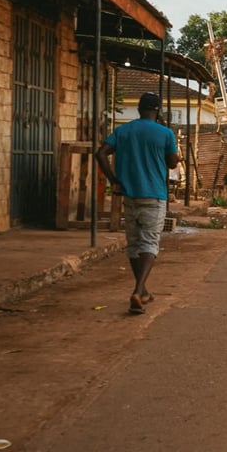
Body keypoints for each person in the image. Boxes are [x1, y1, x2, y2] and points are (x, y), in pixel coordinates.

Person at [96, 92, 180, 315]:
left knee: (134, 244)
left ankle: (142, 290)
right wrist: (174, 156)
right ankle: (137, 289)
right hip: (154, 195)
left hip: (128, 194)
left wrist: (113, 181)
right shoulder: (166, 133)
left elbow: (101, 153)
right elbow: (172, 164)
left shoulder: (123, 131)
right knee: (150, 243)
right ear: (158, 111)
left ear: (139, 109)